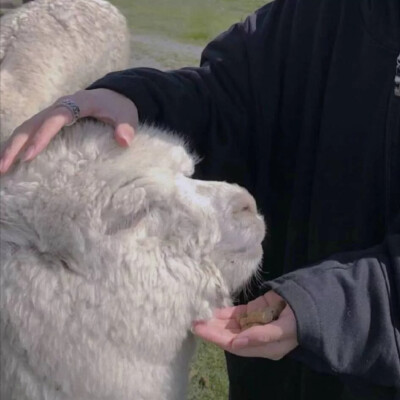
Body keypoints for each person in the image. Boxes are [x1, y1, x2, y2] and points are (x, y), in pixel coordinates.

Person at [1, 0, 399, 399]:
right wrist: (134, 100)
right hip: (276, 365)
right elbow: (228, 94)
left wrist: (329, 310)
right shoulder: (324, 13)